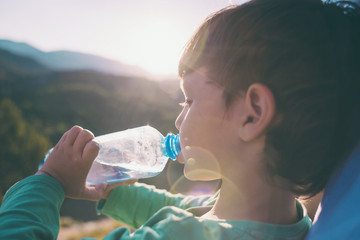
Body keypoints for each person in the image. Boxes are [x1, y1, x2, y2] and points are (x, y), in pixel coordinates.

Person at [1, 0, 359, 239]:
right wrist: (112, 194)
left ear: (252, 114)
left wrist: (46, 182)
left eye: (188, 99)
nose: (177, 120)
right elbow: (188, 208)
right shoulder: (292, 221)